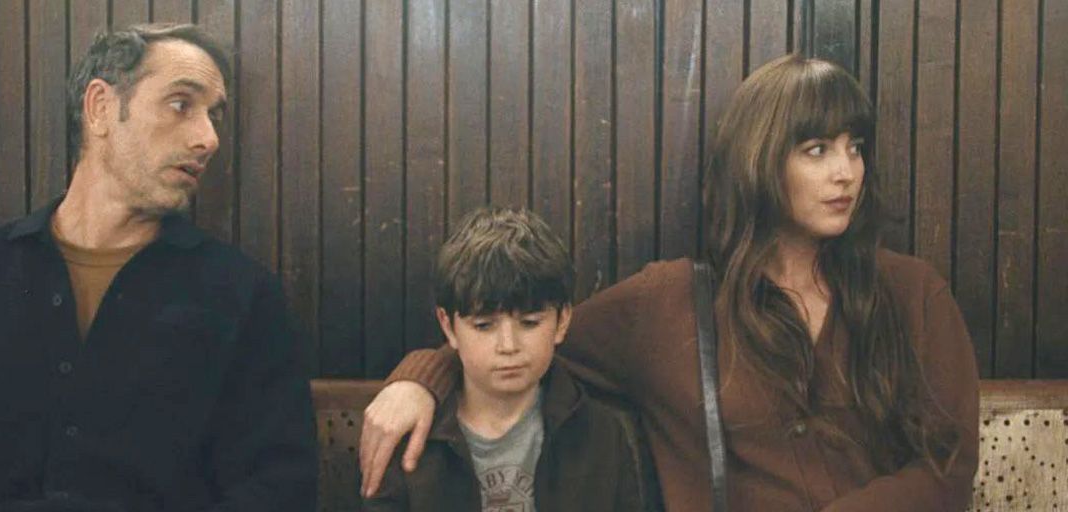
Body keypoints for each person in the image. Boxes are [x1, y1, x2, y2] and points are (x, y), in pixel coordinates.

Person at [360, 54, 979, 511]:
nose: (846, 171)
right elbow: (526, 337)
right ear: (760, 160)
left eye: (855, 147)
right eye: (817, 149)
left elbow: (948, 469)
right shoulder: (671, 304)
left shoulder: (912, 293)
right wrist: (422, 380)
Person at [0, 23, 317, 512]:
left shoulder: (243, 296)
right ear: (100, 107)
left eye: (215, 115)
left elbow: (281, 489)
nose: (208, 138)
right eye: (181, 104)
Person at [362, 207, 651, 511]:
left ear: (563, 321)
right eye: (484, 326)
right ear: (448, 327)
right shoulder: (404, 434)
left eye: (530, 323)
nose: (508, 345)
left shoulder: (601, 434)